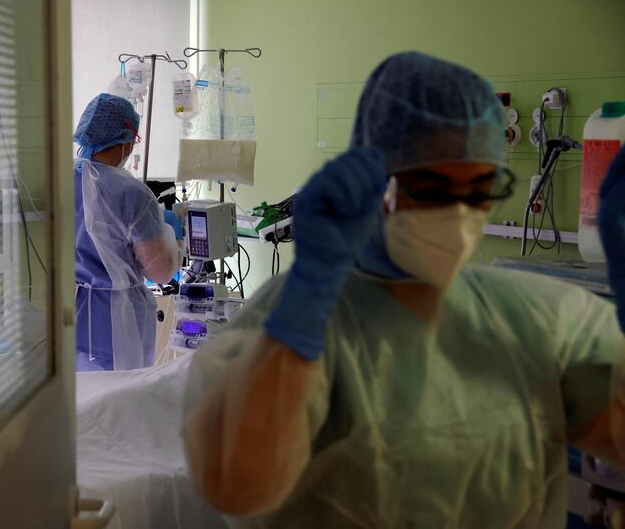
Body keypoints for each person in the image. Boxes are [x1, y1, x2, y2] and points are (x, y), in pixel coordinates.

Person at [182, 51, 625, 527]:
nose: (458, 213)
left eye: (478, 190)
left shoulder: (536, 319)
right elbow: (234, 481)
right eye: (432, 188)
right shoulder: (291, 317)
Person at [74, 93, 183, 371]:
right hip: (116, 321)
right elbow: (160, 272)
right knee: (120, 404)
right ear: (127, 140)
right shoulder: (132, 193)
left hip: (67, 316)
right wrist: (171, 233)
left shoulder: (58, 179)